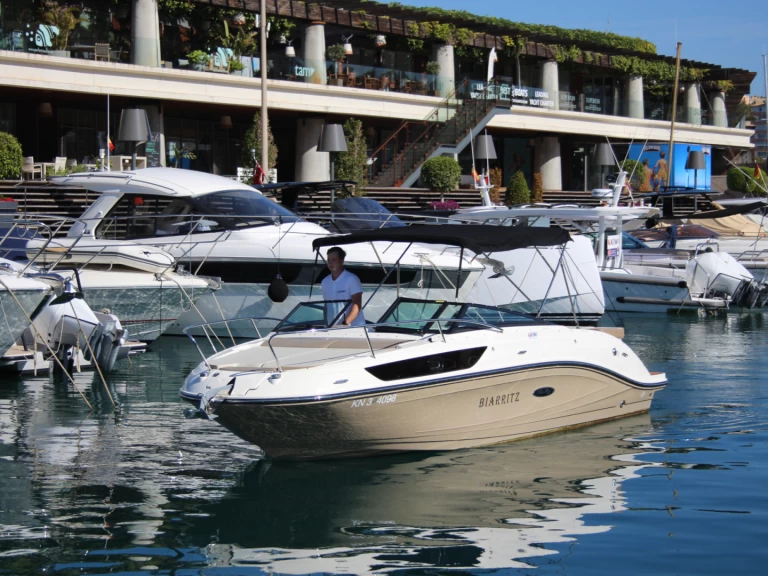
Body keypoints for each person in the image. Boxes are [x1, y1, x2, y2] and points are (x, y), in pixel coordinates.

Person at [321, 246, 365, 327]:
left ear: (342, 261)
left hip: (354, 329)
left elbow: (357, 304)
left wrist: (345, 323)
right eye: (329, 260)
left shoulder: (352, 279)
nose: (330, 263)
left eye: (334, 260)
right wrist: (327, 326)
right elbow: (326, 305)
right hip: (333, 328)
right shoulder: (325, 282)